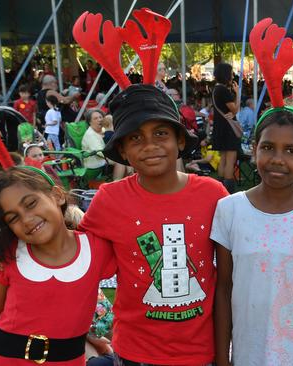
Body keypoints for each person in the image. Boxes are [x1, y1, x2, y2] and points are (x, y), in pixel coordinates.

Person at [78, 84, 228, 366]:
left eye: (161, 133)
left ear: (180, 140)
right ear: (122, 149)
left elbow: (239, 263)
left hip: (200, 352)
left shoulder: (214, 195)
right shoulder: (109, 199)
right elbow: (76, 257)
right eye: (136, 138)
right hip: (136, 352)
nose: (150, 146)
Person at [212, 109, 293, 365]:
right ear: (254, 149)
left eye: (291, 151)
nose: (278, 159)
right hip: (246, 356)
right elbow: (224, 289)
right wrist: (222, 359)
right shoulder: (229, 210)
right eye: (268, 147)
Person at [0, 167, 116, 365]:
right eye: (13, 218)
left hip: (68, 359)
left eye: (31, 203)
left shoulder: (97, 247)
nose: (26, 220)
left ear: (57, 195)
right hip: (5, 358)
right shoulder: (11, 254)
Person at [211, 63, 241, 193]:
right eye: (231, 73)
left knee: (223, 159)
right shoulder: (223, 90)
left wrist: (233, 112)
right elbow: (235, 109)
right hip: (228, 129)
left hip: (220, 127)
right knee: (230, 160)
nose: (232, 75)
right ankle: (228, 191)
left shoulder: (215, 89)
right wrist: (237, 93)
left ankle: (219, 189)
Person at [81, 109, 126, 181]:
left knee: (126, 157)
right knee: (120, 161)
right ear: (90, 122)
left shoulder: (103, 130)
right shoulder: (90, 135)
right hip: (95, 162)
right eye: (96, 118)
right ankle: (116, 183)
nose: (99, 120)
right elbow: (100, 153)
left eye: (100, 117)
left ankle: (126, 181)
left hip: (103, 158)